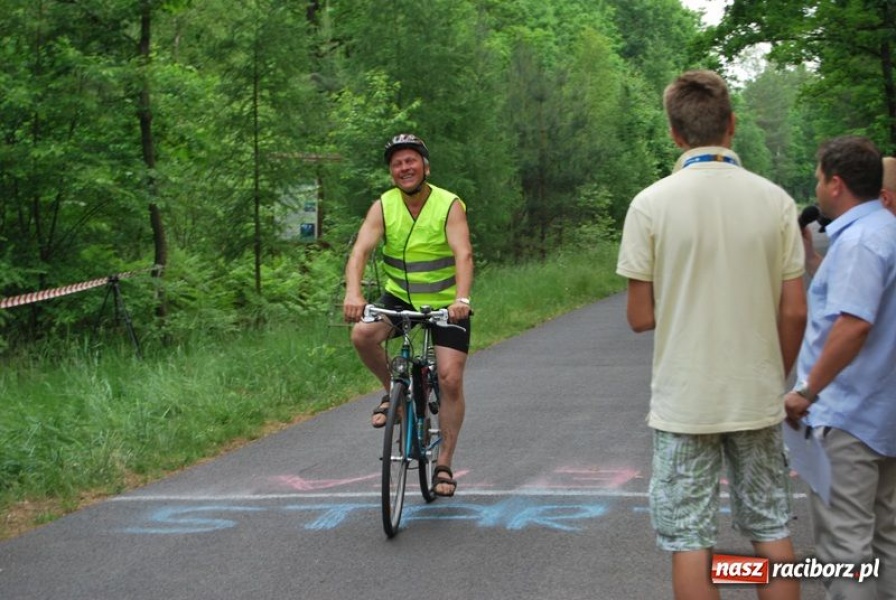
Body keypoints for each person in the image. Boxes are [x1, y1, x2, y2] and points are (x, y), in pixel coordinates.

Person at [616, 70, 805, 600]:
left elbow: (639, 316)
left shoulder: (650, 204)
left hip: (685, 399)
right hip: (755, 392)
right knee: (771, 528)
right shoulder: (777, 203)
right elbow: (794, 312)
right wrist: (776, 373)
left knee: (690, 539)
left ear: (675, 133)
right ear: (733, 125)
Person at [784, 135, 896, 600]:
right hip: (882, 413)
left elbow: (853, 326)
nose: (816, 188)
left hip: (847, 416)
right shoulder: (884, 231)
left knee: (845, 549)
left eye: (817, 178)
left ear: (836, 183)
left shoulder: (861, 243)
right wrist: (811, 260)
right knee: (887, 537)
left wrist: (807, 391)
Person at [343, 133, 473, 497]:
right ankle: (394, 395)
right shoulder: (383, 206)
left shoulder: (448, 205)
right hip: (400, 300)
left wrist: (461, 298)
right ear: (391, 173)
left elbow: (463, 254)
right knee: (362, 335)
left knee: (448, 379)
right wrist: (353, 292)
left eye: (411, 161)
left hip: (445, 305)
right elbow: (359, 253)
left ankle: (444, 463)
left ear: (425, 167)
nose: (405, 168)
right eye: (397, 163)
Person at [802, 156, 896, 276]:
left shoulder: (863, 242)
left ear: (885, 198)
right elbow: (840, 280)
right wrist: (810, 256)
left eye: (869, 197)